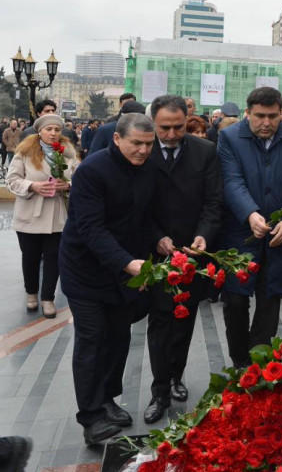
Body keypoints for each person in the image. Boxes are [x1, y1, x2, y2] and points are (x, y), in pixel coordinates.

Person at [59, 113, 157, 445]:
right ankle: (90, 418)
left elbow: (144, 218)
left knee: (118, 336)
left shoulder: (148, 169)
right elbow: (91, 228)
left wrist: (155, 245)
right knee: (91, 339)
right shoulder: (92, 170)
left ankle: (106, 398)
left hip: (123, 270)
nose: (143, 151)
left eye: (149, 144)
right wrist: (128, 263)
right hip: (85, 271)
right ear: (117, 138)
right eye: (136, 143)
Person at [217, 87, 282, 368]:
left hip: (279, 236)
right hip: (240, 235)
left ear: (281, 113)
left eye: (273, 116)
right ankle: (239, 361)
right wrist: (250, 213)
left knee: (270, 299)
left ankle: (258, 366)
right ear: (247, 113)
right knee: (235, 301)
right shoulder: (229, 137)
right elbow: (231, 181)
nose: (267, 123)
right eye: (260, 116)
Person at [143, 96, 223, 424]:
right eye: (165, 128)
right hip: (155, 252)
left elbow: (214, 201)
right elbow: (136, 204)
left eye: (179, 127)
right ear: (153, 122)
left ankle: (176, 375)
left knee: (184, 318)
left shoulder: (204, 151)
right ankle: (159, 389)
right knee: (160, 321)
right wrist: (155, 236)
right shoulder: (142, 149)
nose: (173, 134)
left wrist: (204, 235)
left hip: (192, 252)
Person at [7, 114, 78, 318]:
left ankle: (48, 298)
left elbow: (81, 177)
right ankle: (31, 294)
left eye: (57, 130)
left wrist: (68, 185)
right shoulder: (25, 152)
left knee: (54, 258)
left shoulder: (68, 153)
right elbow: (12, 180)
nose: (53, 133)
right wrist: (33, 185)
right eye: (49, 129)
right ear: (40, 131)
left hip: (57, 215)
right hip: (30, 214)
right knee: (30, 257)